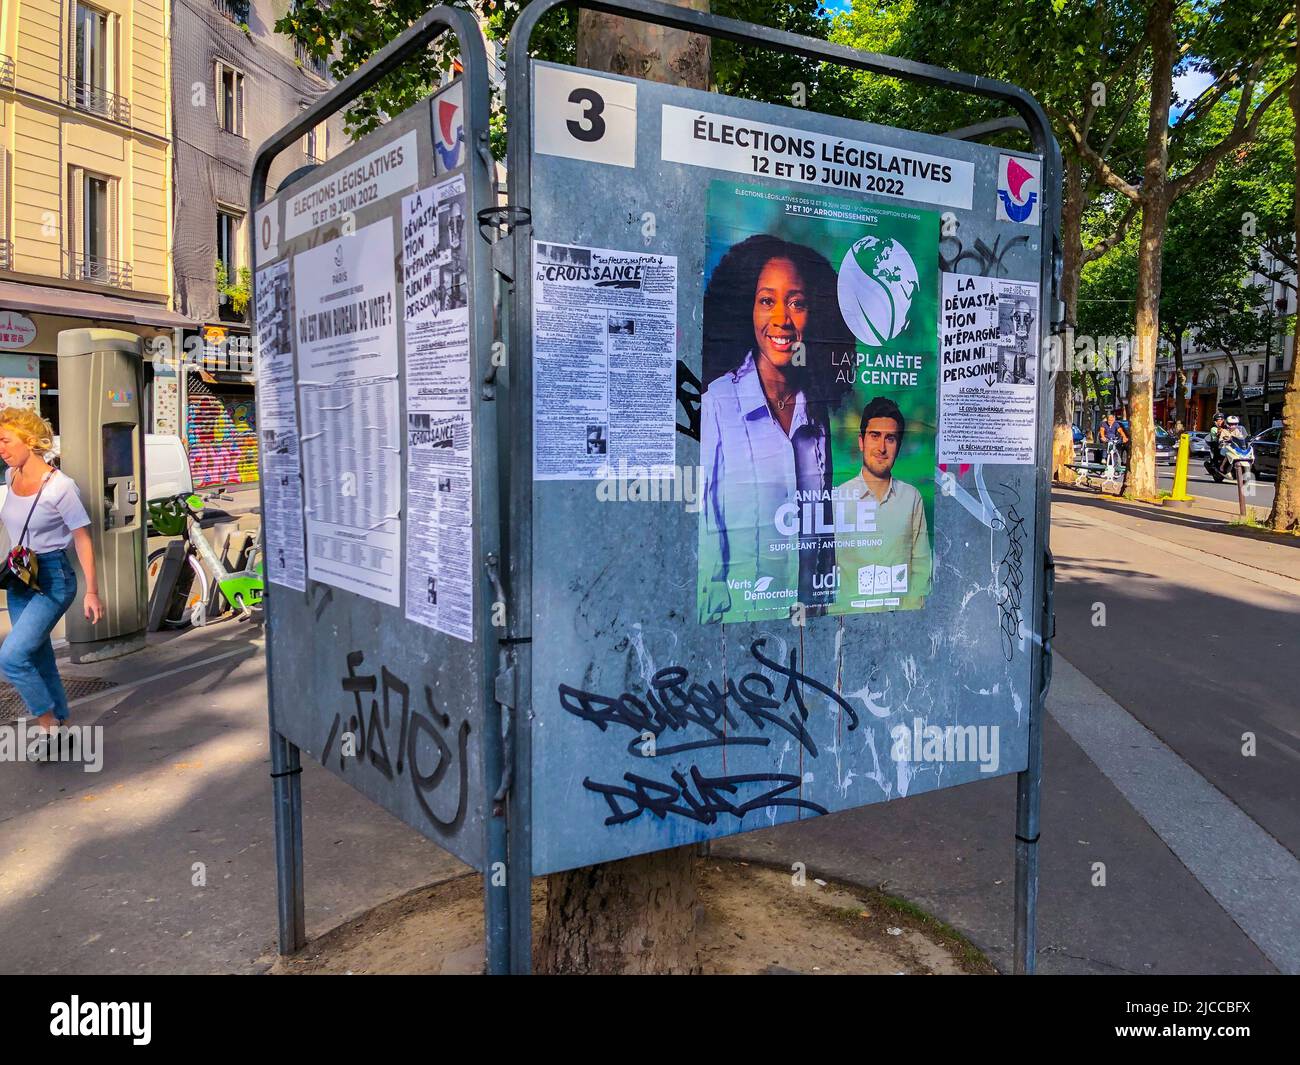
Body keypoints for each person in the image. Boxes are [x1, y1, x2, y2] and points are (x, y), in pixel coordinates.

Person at [698, 234, 854, 623]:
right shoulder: (718, 403)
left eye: (797, 303)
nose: (782, 319)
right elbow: (705, 531)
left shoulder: (816, 417)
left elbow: (823, 536)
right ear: (747, 310)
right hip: (733, 630)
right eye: (767, 300)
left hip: (807, 630)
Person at [0, 408, 103, 758]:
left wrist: (92, 591)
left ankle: (47, 725)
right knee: (37, 654)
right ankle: (59, 723)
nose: (1, 447)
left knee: (12, 656)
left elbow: (82, 537)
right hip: (20, 576)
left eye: (5, 440)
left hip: (53, 577)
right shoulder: (10, 475)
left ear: (29, 441)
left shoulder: (61, 487)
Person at [833, 397, 931, 610]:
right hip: (848, 619)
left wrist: (907, 615)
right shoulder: (837, 500)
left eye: (890, 439)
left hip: (900, 620)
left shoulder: (911, 498)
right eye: (875, 436)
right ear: (861, 442)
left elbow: (921, 569)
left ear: (898, 445)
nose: (881, 447)